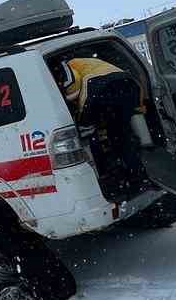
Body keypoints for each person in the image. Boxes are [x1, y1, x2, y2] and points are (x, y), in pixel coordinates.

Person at [55, 56, 150, 200]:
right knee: (120, 134)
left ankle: (117, 176)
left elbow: (74, 83)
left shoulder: (67, 66)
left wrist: (81, 115)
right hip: (129, 84)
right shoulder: (88, 62)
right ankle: (138, 176)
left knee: (97, 133)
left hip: (102, 88)